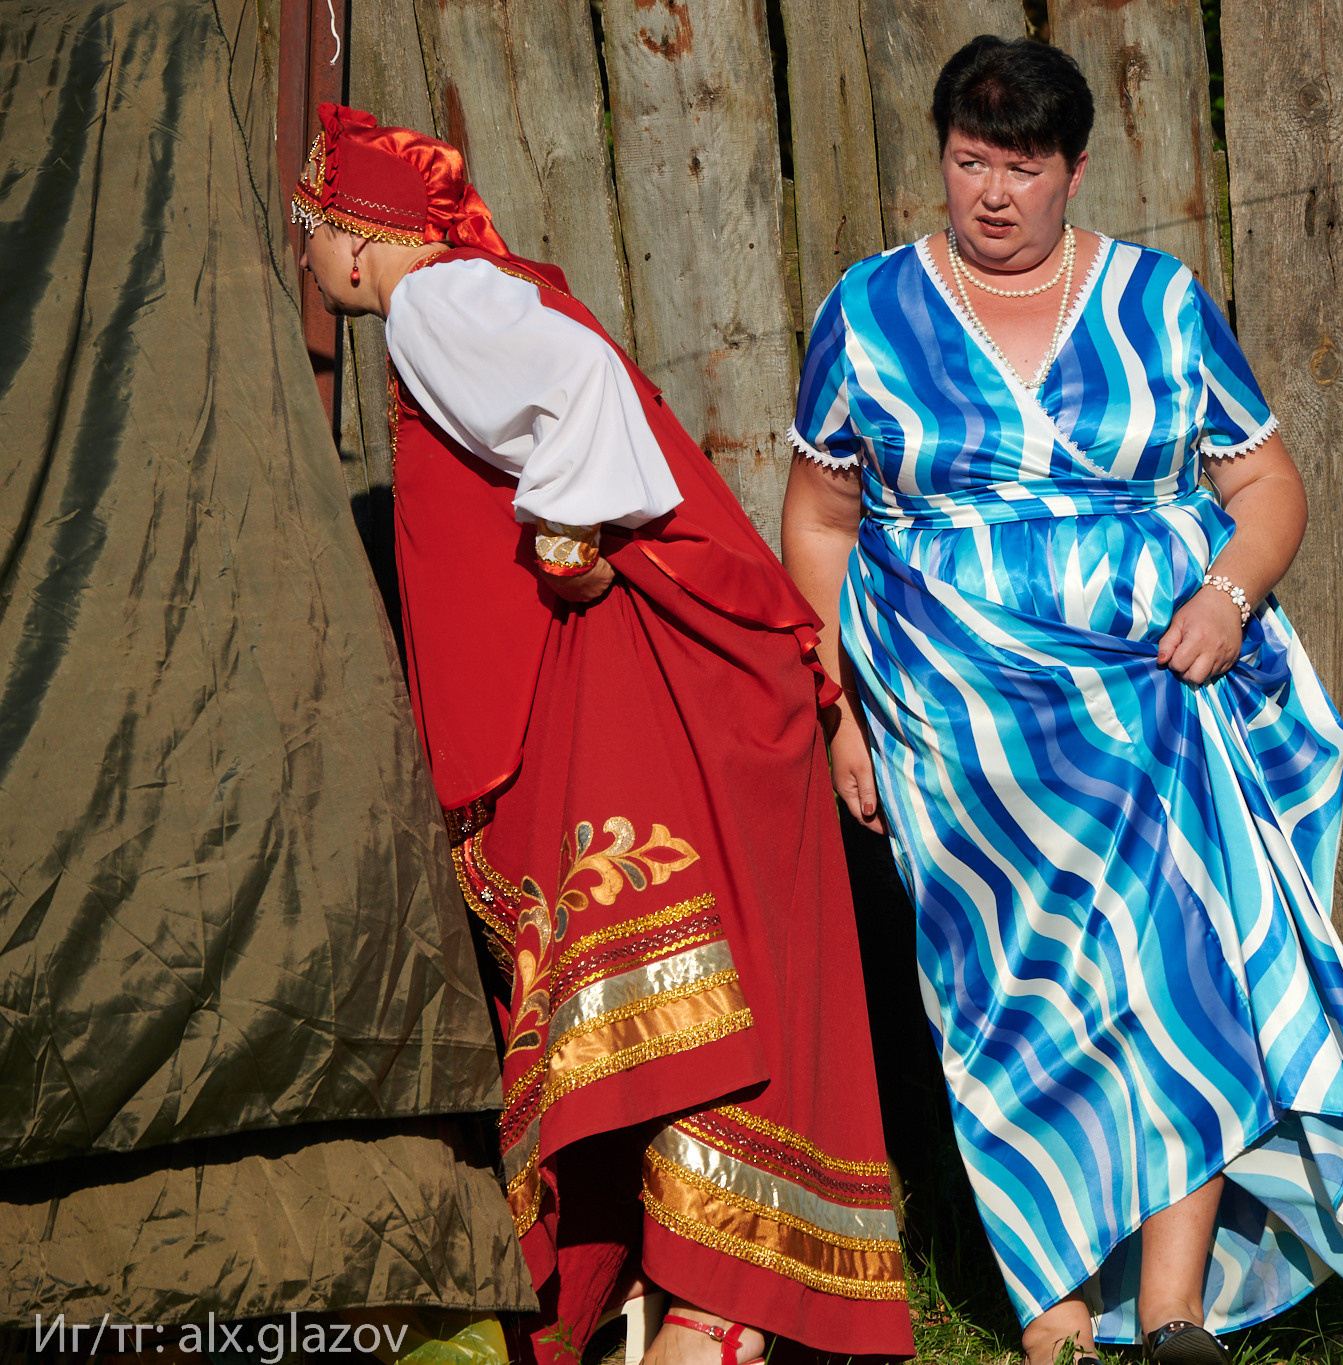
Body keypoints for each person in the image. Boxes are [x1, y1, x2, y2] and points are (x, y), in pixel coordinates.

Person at [781, 36, 1343, 1365]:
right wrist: (838, 704)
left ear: (1075, 169)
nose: (994, 194)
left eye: (1023, 167)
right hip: (958, 735)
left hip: (1153, 708)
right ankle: (1057, 1320)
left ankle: (1180, 1313)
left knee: (1178, 980)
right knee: (1014, 1004)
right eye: (971, 161)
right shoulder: (868, 309)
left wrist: (1230, 596)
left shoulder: (1158, 300)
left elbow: (1267, 487)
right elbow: (817, 520)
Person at [290, 104, 914, 1365]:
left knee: (672, 976)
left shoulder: (432, 304)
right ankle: (679, 1293)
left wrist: (568, 540)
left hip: (632, 675)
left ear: (357, 238)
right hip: (661, 673)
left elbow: (578, 391)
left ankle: (711, 1310)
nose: (306, 257)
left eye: (310, 231)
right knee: (694, 978)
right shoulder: (476, 290)